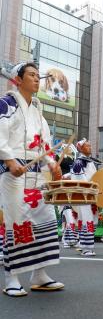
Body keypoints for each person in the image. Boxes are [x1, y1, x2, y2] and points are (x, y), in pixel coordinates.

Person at [0, 62, 64, 297]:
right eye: (32, 75)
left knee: (44, 220)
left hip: (36, 173)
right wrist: (8, 160)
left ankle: (39, 274)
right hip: (14, 172)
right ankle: (12, 278)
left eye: (38, 76)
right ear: (18, 79)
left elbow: (44, 143)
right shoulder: (6, 104)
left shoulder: (37, 109)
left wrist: (52, 163)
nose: (37, 79)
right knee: (17, 223)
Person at [71, 138, 100, 256]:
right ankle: (86, 248)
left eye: (90, 146)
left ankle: (85, 245)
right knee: (87, 219)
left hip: (91, 194)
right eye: (87, 146)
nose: (90, 148)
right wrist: (91, 188)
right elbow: (79, 179)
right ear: (80, 148)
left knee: (92, 220)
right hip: (84, 195)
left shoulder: (90, 161)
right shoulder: (79, 162)